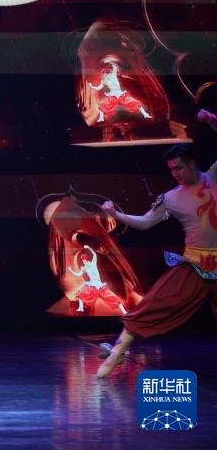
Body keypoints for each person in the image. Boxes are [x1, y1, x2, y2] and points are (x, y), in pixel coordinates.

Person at [96, 109, 217, 377]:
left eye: (178, 168)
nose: (175, 174)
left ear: (192, 163)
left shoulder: (214, 175)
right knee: (155, 304)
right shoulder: (171, 198)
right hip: (195, 265)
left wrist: (212, 121)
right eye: (171, 170)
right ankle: (117, 351)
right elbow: (146, 222)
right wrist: (116, 214)